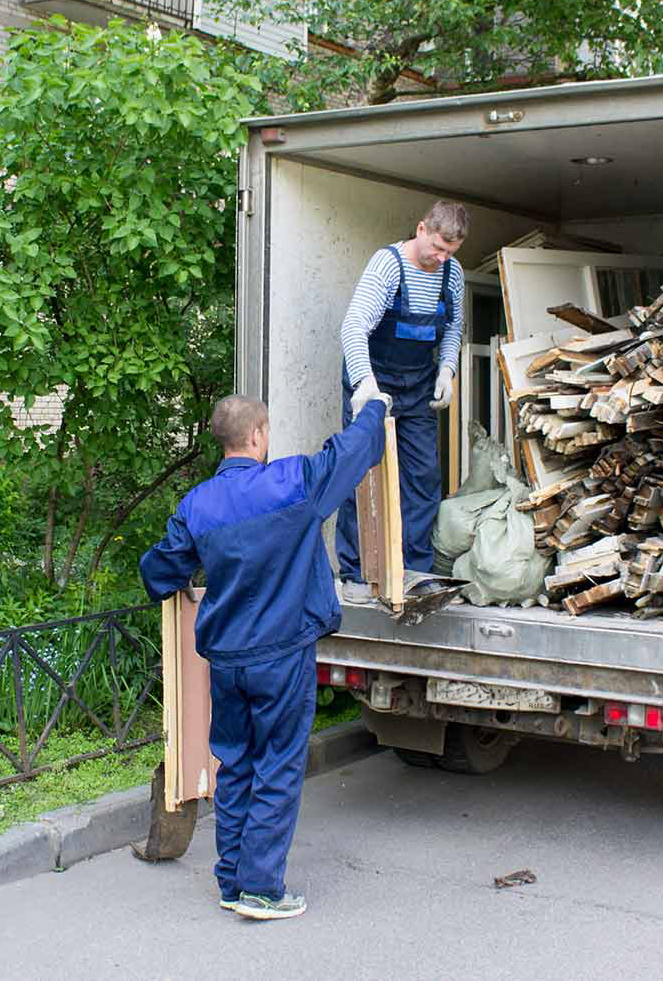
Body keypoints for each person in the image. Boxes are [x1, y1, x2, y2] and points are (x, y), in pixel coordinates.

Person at [139, 392, 390, 921]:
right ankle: (260, 890)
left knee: (236, 765)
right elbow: (354, 451)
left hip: (227, 661)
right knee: (278, 763)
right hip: (280, 656)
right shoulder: (292, 483)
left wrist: (186, 576)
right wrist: (372, 404)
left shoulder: (197, 505)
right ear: (257, 435)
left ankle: (231, 881)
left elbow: (156, 571)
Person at [335, 200, 469, 602]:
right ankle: (355, 573)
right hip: (373, 379)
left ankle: (416, 570)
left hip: (418, 385)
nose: (441, 257)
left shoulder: (452, 273)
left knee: (423, 477)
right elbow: (354, 326)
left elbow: (453, 327)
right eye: (438, 247)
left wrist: (447, 370)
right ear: (422, 228)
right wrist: (365, 385)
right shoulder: (388, 265)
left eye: (450, 252)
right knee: (360, 473)